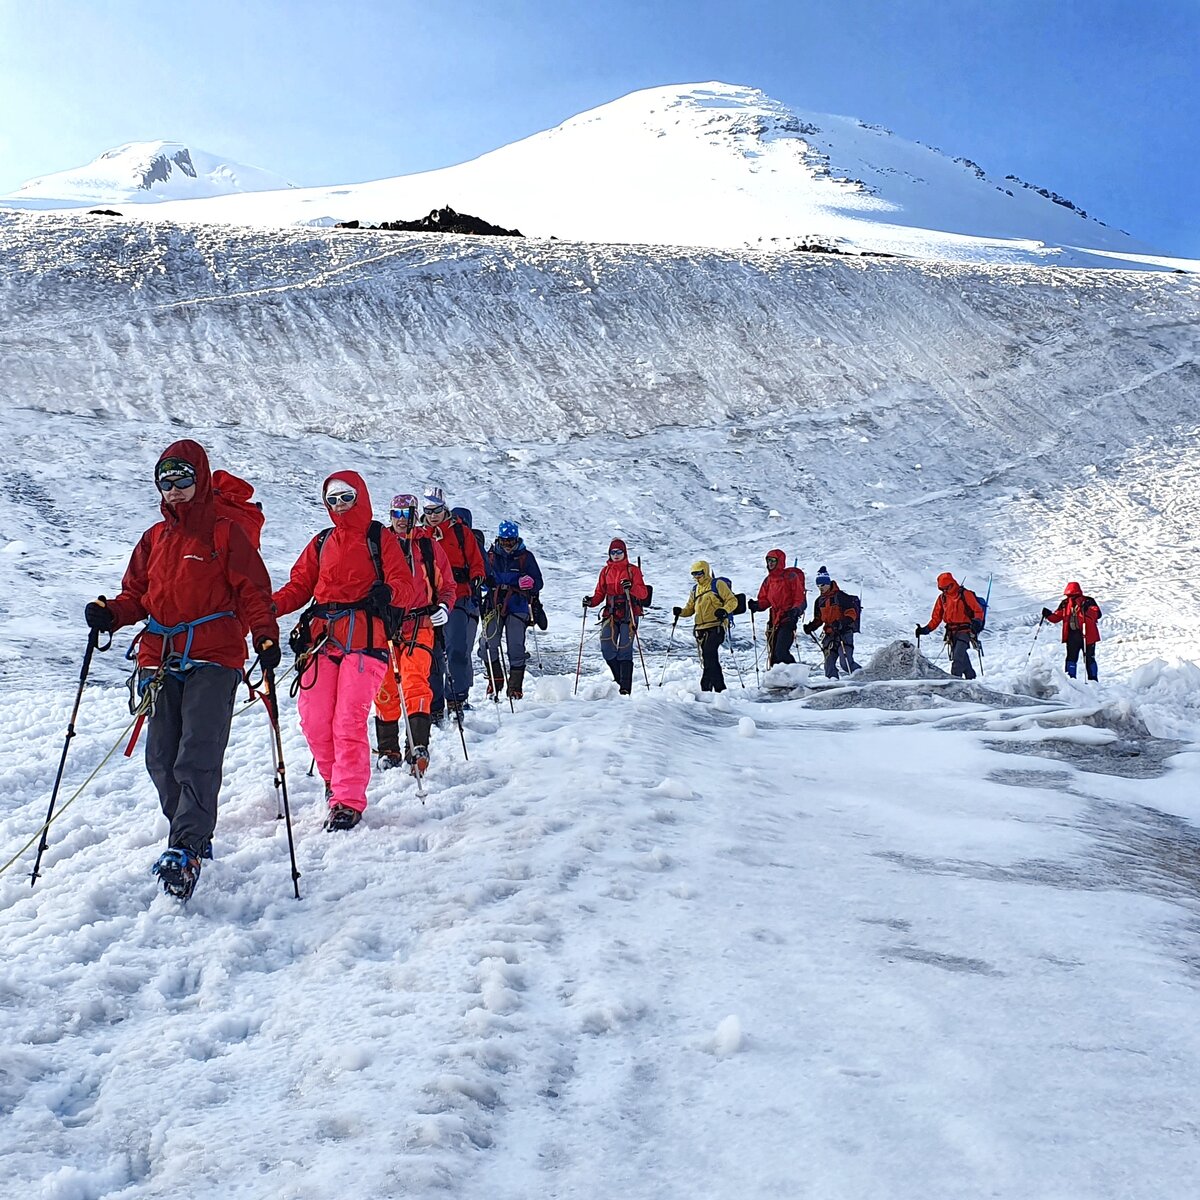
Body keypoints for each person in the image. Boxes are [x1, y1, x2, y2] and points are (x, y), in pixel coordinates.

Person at [83, 441, 278, 899]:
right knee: (161, 758)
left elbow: (252, 590)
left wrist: (264, 634)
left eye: (183, 480)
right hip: (161, 656)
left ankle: (186, 847)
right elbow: (137, 596)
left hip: (215, 656)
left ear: (201, 479)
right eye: (165, 482)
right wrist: (111, 613)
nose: (174, 490)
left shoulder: (226, 532)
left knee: (197, 753)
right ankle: (190, 834)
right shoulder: (154, 538)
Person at [273, 472, 423, 831]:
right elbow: (299, 586)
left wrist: (388, 593)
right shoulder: (322, 541)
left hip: (366, 639)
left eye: (347, 497)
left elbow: (405, 585)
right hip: (322, 639)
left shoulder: (379, 538)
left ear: (362, 497)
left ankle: (347, 799)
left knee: (348, 720)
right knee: (313, 718)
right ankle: (333, 780)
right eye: (333, 499)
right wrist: (265, 609)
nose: (339, 505)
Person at [374, 494, 455, 775]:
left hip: (420, 622)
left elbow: (447, 584)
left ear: (413, 514)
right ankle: (388, 749)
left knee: (414, 681)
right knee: (384, 687)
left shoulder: (428, 546)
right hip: (384, 625)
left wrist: (444, 606)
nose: (399, 520)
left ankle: (418, 746)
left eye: (405, 514)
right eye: (395, 514)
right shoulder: (376, 546)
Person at [420, 487, 486, 721]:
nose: (433, 515)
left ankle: (457, 697)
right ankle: (435, 704)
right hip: (429, 600)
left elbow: (476, 561)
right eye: (428, 511)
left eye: (437, 510)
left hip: (458, 596)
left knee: (457, 648)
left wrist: (477, 577)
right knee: (432, 654)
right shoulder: (420, 535)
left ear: (444, 508)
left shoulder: (461, 532)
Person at [480, 520, 544, 700]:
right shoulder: (490, 556)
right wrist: (486, 583)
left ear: (517, 539)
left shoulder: (526, 557)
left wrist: (530, 583)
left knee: (516, 646)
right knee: (487, 643)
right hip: (493, 604)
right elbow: (481, 577)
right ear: (499, 539)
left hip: (518, 605)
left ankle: (515, 687)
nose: (507, 545)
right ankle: (496, 678)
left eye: (511, 541)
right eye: (504, 541)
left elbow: (538, 582)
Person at [583, 537, 650, 695]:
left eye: (619, 551)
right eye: (613, 552)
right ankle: (620, 680)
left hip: (629, 613)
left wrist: (631, 586)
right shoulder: (605, 571)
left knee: (625, 650)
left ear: (624, 552)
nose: (616, 554)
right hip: (611, 613)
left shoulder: (633, 570)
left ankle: (625, 689)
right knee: (607, 648)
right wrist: (590, 602)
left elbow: (643, 593)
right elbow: (600, 593)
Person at [672, 560, 736, 693]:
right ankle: (709, 689)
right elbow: (690, 609)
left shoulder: (717, 584)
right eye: (694, 574)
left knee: (708, 654)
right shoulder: (695, 589)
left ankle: (717, 688)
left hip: (716, 626)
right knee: (709, 658)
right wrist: (681, 612)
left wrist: (724, 610)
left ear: (705, 571)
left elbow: (732, 600)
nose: (696, 576)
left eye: (699, 573)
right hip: (701, 629)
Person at [914, 571, 984, 680]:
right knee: (961, 656)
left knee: (957, 658)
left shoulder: (965, 594)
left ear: (952, 583)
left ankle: (955, 683)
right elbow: (936, 618)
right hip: (951, 633)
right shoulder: (942, 598)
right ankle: (971, 678)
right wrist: (926, 629)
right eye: (942, 589)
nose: (945, 591)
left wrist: (977, 622)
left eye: (946, 588)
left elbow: (978, 611)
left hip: (965, 631)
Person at [748, 551, 806, 667]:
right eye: (768, 560)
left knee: (781, 651)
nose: (770, 563)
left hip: (788, 618)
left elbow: (799, 597)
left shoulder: (791, 577)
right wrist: (757, 605)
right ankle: (778, 680)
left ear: (780, 561)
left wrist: (794, 611)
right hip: (774, 619)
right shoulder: (768, 580)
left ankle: (794, 674)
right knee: (774, 654)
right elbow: (765, 600)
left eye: (773, 561)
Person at [803, 566, 862, 679]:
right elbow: (819, 619)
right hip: (830, 635)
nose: (821, 588)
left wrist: (841, 624)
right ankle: (833, 685)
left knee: (845, 664)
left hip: (844, 634)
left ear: (828, 583)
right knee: (829, 665)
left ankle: (864, 676)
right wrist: (811, 627)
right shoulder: (819, 601)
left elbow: (851, 614)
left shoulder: (841, 597)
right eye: (818, 586)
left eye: (823, 585)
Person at [1043, 582, 1102, 681]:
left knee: (1088, 658)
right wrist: (1048, 615)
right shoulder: (1065, 603)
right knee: (1071, 658)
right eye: (1069, 595)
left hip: (1087, 635)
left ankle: (1092, 680)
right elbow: (1057, 617)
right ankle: (1071, 680)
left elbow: (1097, 614)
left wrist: (1087, 609)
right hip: (1072, 635)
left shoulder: (1088, 601)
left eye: (1072, 595)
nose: (1071, 597)